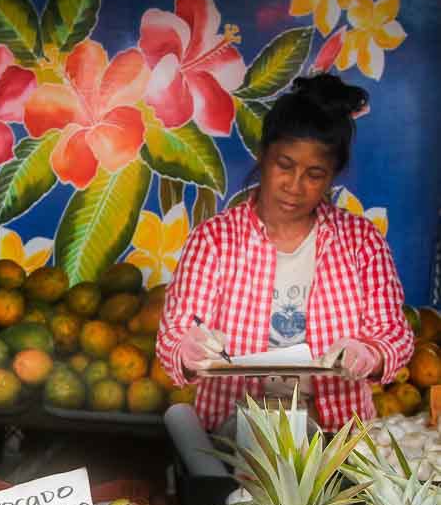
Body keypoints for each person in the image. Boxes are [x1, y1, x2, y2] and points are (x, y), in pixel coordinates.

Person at [156, 74, 414, 432]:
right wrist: (188, 350)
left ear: (332, 177)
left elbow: (395, 335)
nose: (295, 186)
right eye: (285, 165)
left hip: (337, 438)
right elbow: (173, 337)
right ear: (263, 155)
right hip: (232, 436)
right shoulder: (214, 240)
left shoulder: (361, 241)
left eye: (314, 174)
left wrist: (368, 353)